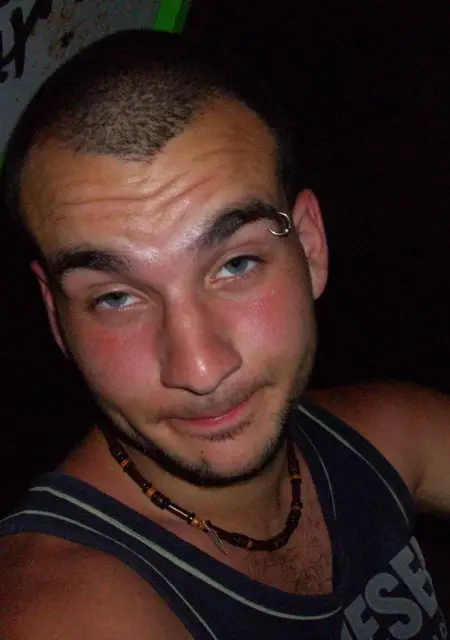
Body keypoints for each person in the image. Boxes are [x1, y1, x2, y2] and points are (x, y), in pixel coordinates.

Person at [0, 29, 448, 639]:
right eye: (116, 298)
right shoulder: (67, 612)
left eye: (236, 264)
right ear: (57, 316)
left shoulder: (385, 434)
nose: (200, 368)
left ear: (309, 246)